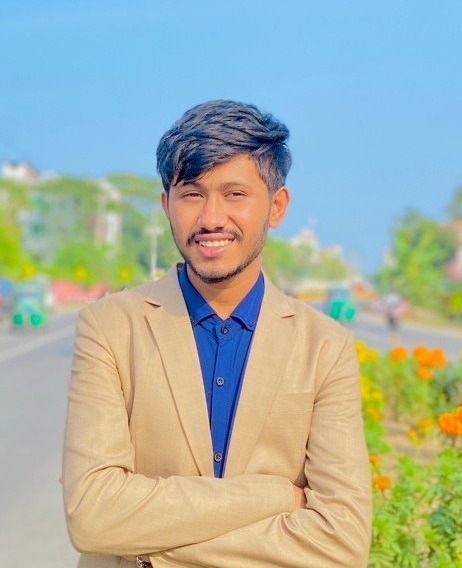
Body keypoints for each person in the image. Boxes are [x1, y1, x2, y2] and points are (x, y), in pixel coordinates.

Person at [62, 99, 372, 568]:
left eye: (234, 194)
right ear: (167, 206)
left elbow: (342, 542)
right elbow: (92, 518)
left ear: (276, 207)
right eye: (192, 194)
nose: (211, 218)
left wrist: (142, 542)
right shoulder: (110, 327)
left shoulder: (324, 346)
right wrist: (276, 496)